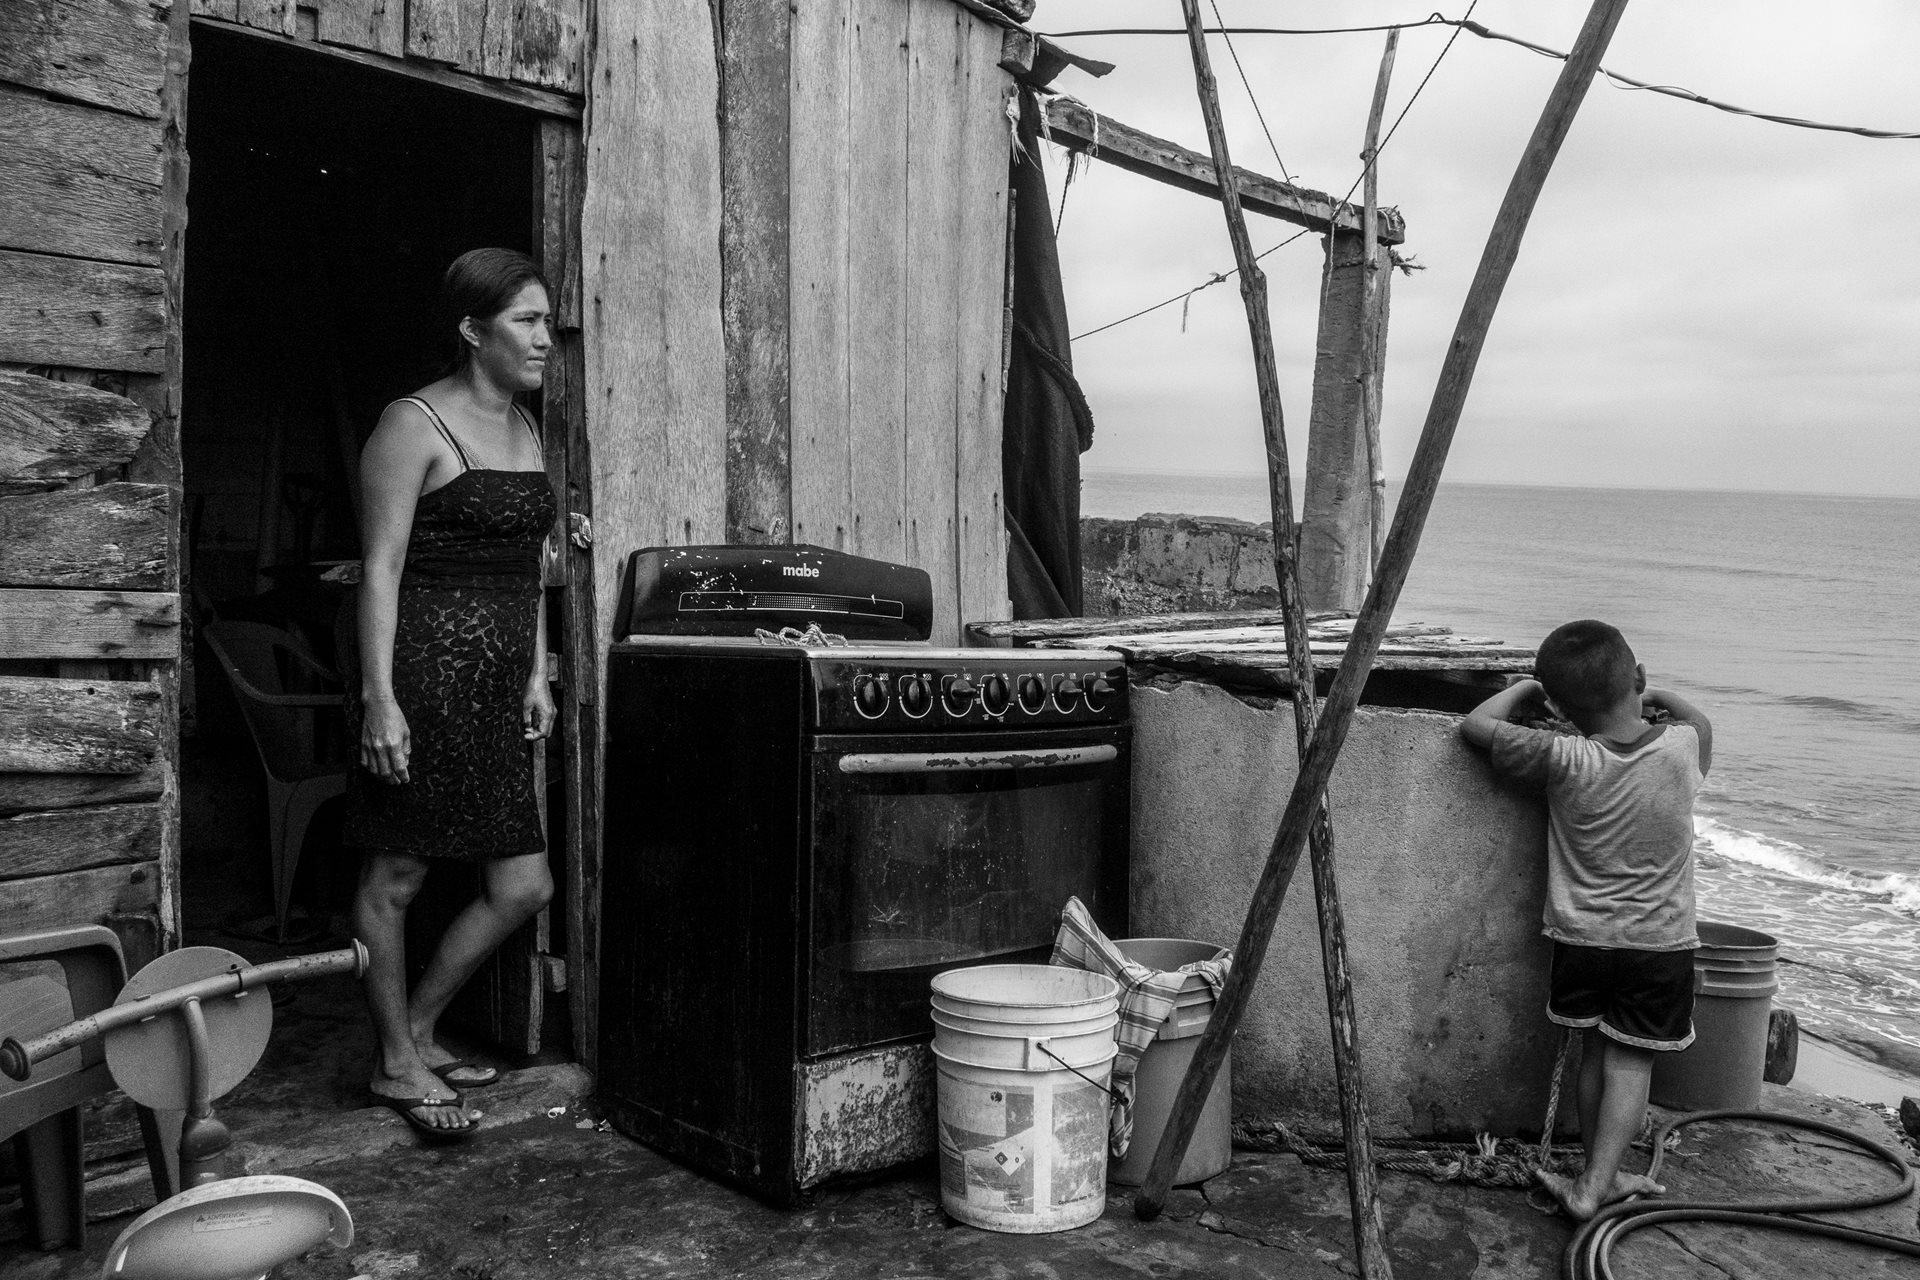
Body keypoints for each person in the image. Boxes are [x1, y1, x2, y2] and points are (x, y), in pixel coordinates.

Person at [343, 248, 559, 1138]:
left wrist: (538, 667)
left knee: (525, 884)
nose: (547, 339)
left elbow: (530, 568)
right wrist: (378, 696)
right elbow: (380, 568)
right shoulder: (414, 422)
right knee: (397, 872)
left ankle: (422, 1027)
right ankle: (395, 1062)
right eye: (527, 321)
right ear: (474, 330)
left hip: (499, 690)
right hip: (424, 680)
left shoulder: (527, 427)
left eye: (547, 321)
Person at [1459, 619, 1712, 1220]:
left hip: (1581, 940)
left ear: (1559, 708)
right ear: (1639, 679)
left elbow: (1473, 726)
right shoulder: (1680, 749)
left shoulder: (1562, 755)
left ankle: (1598, 1171)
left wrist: (1524, 691)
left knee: (1596, 1055)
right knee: (1630, 1060)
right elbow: (1699, 723)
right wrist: (1661, 697)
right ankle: (1593, 1186)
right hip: (1659, 943)